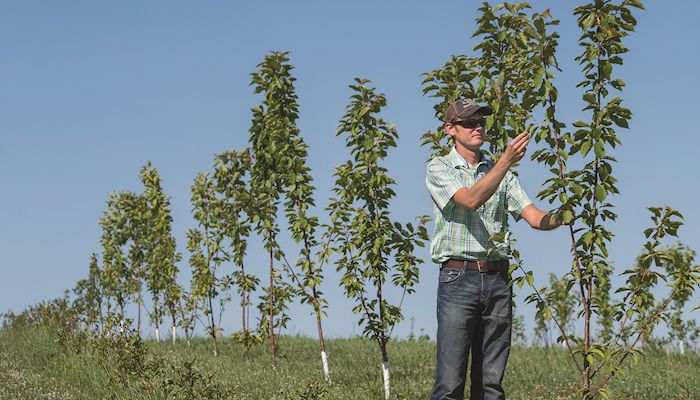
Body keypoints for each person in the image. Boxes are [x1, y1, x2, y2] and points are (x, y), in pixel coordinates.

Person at [425, 98, 569, 400]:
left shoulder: (502, 174)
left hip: (497, 281)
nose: (478, 127)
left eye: (481, 122)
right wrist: (505, 161)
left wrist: (564, 215)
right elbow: (470, 199)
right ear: (450, 129)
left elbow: (534, 217)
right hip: (457, 278)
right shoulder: (439, 168)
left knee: (491, 385)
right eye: (469, 123)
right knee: (450, 384)